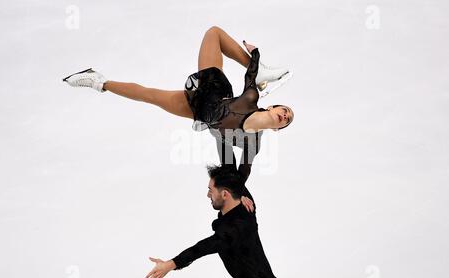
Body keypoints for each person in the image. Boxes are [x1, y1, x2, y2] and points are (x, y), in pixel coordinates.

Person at [63, 26, 294, 182]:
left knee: (149, 95)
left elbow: (238, 170)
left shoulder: (253, 144)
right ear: (272, 107)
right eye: (285, 110)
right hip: (213, 88)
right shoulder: (251, 99)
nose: (285, 115)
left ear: (277, 129)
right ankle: (100, 81)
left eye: (287, 120)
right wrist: (255, 57)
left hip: (199, 111)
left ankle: (99, 81)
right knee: (213, 33)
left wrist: (235, 192)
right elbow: (250, 78)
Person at [144, 164, 291, 278]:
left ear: (225, 194)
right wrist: (221, 137)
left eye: (211, 190)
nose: (208, 195)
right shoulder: (245, 204)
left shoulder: (235, 229)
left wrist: (170, 264)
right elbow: (234, 172)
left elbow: (201, 248)